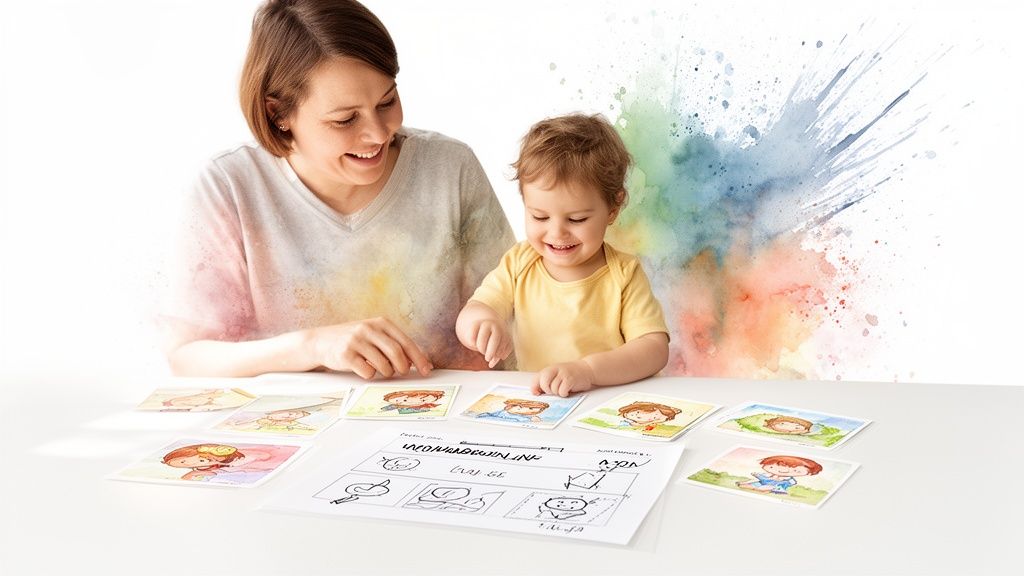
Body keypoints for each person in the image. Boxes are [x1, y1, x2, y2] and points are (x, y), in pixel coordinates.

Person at [161, 0, 515, 378]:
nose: (378, 133)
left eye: (387, 101)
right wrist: (314, 345)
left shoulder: (449, 168)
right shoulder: (229, 187)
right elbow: (187, 357)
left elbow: (521, 305)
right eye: (345, 119)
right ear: (277, 114)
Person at [455, 113, 670, 397]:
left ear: (613, 208)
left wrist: (588, 372)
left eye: (577, 219)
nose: (557, 233)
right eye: (539, 216)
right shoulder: (520, 263)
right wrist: (483, 324)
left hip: (605, 403)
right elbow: (474, 311)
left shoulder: (624, 274)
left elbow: (653, 349)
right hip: (539, 406)